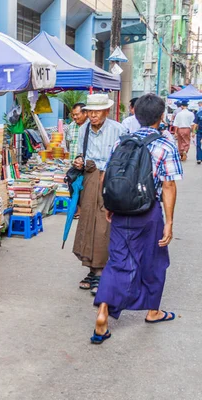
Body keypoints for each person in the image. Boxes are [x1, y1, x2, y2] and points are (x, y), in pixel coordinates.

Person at [91, 94, 183, 344]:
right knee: (154, 261)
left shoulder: (121, 142)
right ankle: (153, 311)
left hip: (120, 210)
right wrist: (169, 221)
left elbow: (105, 177)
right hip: (148, 211)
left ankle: (103, 313)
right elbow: (168, 186)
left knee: (117, 261)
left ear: (136, 115)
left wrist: (109, 205)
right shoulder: (165, 145)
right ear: (161, 117)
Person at [72, 94, 128, 295]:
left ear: (106, 111)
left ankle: (101, 270)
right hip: (89, 178)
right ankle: (92, 268)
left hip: (110, 181)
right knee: (87, 223)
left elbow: (124, 160)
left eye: (97, 111)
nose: (92, 115)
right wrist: (79, 161)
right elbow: (80, 154)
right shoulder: (83, 129)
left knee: (104, 225)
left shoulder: (118, 130)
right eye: (90, 111)